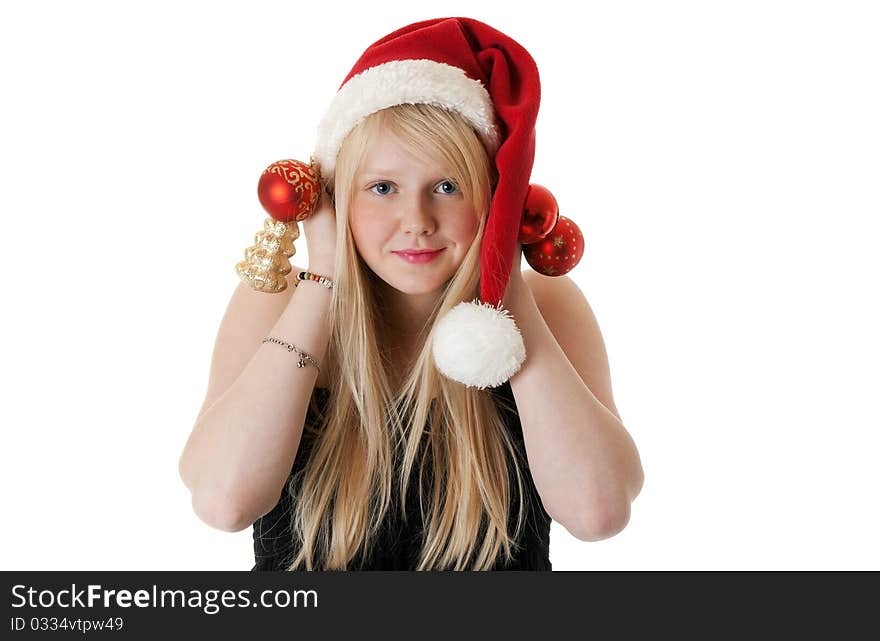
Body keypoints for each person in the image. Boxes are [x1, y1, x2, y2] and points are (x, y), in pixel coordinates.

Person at [179, 17, 644, 571]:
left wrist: (502, 278)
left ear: (492, 198)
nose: (416, 221)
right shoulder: (278, 301)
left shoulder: (546, 302)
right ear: (336, 196)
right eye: (382, 188)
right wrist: (325, 278)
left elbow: (597, 512)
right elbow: (223, 502)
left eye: (447, 187)